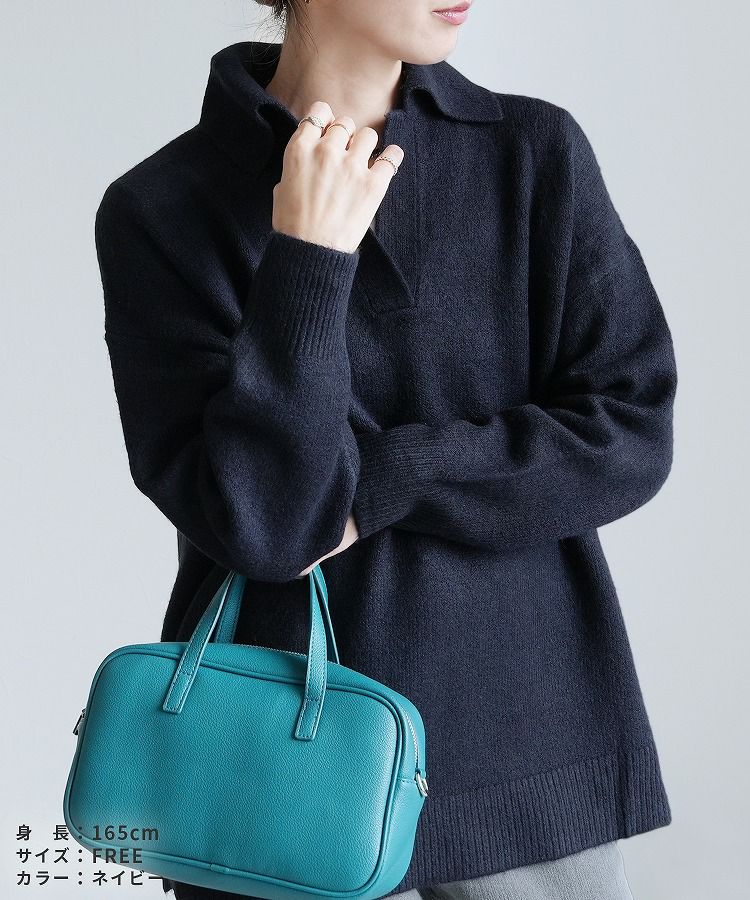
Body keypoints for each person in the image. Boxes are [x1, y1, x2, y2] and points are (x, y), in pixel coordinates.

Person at [94, 1, 678, 899]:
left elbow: (630, 431)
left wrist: (388, 479)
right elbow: (272, 528)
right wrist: (307, 259)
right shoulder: (163, 209)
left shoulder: (531, 153)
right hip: (275, 776)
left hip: (526, 747)